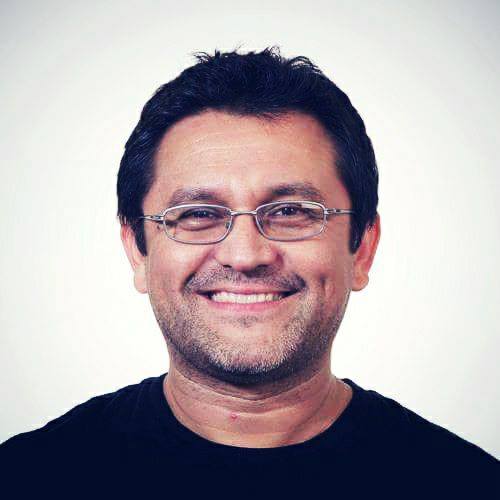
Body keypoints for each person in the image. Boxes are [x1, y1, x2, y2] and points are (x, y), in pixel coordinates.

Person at [1, 47, 497, 498]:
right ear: (138, 251)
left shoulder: (468, 485)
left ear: (362, 248)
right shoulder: (26, 479)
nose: (244, 255)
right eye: (198, 214)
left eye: (291, 212)